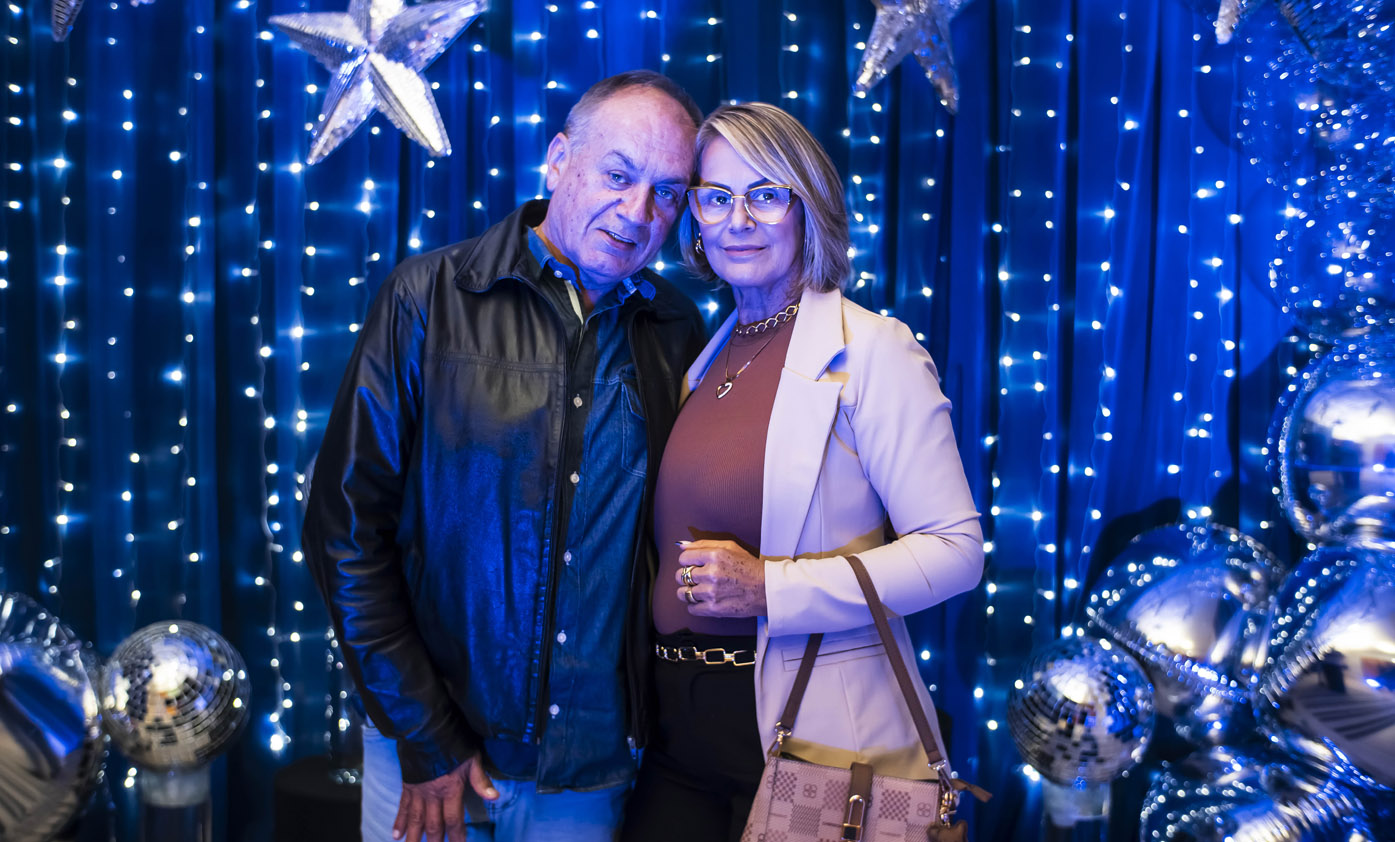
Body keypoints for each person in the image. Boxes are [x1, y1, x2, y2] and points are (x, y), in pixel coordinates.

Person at [301, 70, 709, 842]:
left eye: (667, 192)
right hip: (434, 759)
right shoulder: (428, 297)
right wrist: (424, 733)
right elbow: (344, 532)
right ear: (558, 160)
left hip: (588, 772)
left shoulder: (675, 328)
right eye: (617, 175)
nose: (637, 213)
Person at [620, 102, 984, 842]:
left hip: (807, 733)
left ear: (807, 206)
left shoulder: (872, 350)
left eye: (765, 195)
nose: (738, 221)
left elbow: (956, 551)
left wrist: (769, 588)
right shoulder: (704, 355)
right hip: (675, 731)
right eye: (716, 197)